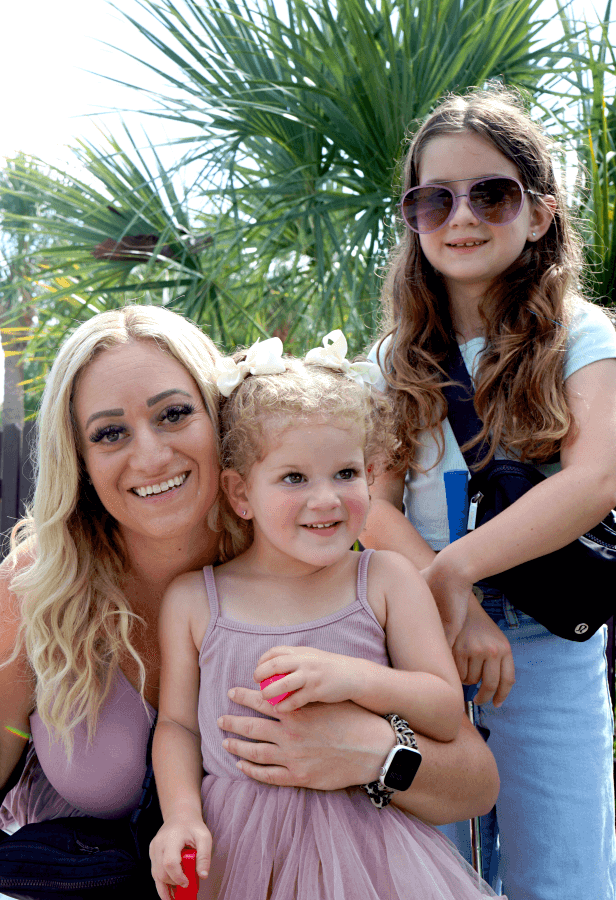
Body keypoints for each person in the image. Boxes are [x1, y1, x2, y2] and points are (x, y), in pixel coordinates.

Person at [0, 305, 500, 899]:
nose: (150, 454)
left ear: (218, 418)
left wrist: (371, 753)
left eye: (173, 414)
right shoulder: (42, 584)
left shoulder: (317, 535)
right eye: (110, 433)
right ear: (81, 459)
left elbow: (472, 779)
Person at [360, 88, 616, 900]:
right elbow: (374, 508)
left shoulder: (576, 333)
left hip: (545, 635)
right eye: (433, 198)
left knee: (564, 871)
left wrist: (456, 573)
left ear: (541, 211)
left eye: (491, 193)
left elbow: (593, 482)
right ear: (412, 218)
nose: (462, 215)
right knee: (427, 868)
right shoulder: (392, 362)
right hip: (421, 639)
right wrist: (449, 601)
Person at [149, 340, 502, 900]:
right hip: (241, 852)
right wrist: (180, 817)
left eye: (345, 472)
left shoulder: (384, 581)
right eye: (294, 478)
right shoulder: (195, 600)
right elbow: (177, 727)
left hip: (368, 853)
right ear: (241, 492)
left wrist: (354, 677)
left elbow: (441, 707)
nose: (327, 500)